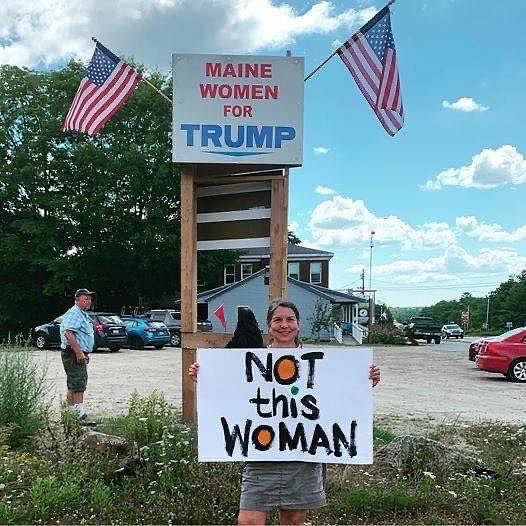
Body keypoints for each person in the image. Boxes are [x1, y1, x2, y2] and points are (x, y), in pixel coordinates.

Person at [189, 299, 381, 526]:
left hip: (302, 455)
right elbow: (230, 391)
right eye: (277, 320)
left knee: (293, 520)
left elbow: (340, 395)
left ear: (298, 324)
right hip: (261, 456)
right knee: (248, 521)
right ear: (269, 325)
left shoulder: (320, 363)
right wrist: (205, 376)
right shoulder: (250, 360)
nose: (284, 325)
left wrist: (364, 379)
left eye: (290, 319)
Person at [60, 288, 96, 419]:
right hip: (73, 354)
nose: (89, 301)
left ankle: (70, 414)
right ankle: (79, 415)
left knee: (73, 384)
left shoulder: (82, 314)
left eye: (90, 299)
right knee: (78, 384)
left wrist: (84, 352)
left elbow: (81, 336)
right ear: (77, 300)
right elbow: (68, 333)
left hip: (75, 353)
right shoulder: (74, 313)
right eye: (86, 299)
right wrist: (79, 353)